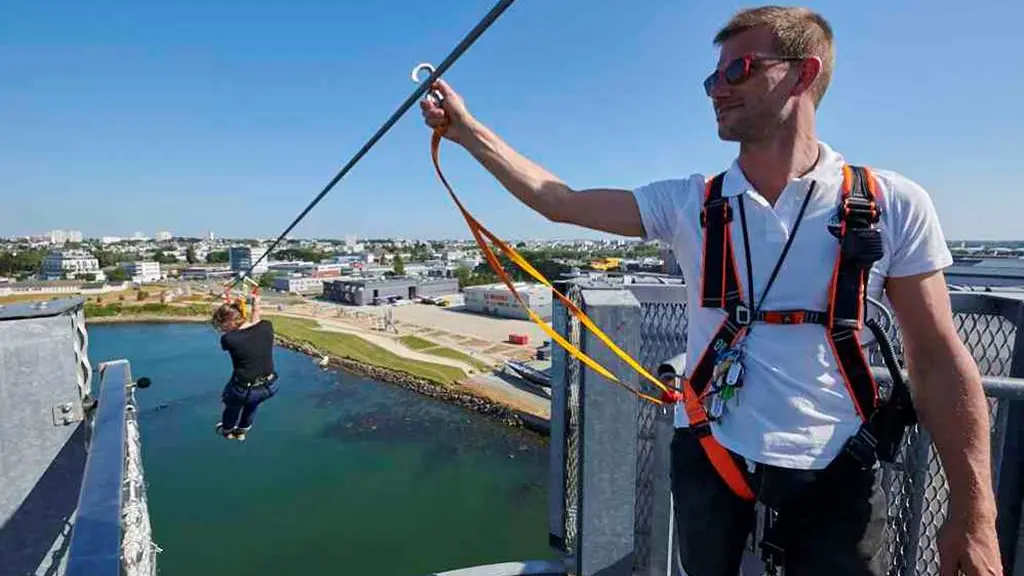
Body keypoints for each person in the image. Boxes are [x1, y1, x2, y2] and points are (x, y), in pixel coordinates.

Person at [420, 5, 1001, 576]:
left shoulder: (890, 204)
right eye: (711, 77)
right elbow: (559, 201)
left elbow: (938, 357)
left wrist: (975, 515)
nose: (715, 90)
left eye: (737, 70)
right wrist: (467, 131)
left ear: (803, 73)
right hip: (711, 455)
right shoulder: (689, 203)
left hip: (836, 469)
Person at [211, 287, 278, 442]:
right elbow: (255, 323)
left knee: (231, 403)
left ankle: (227, 430)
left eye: (222, 326)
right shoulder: (266, 326)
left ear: (229, 323)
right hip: (270, 386)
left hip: (244, 390)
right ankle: (242, 430)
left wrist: (229, 306)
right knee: (252, 404)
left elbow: (238, 332)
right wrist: (255, 305)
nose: (222, 330)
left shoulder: (229, 340)